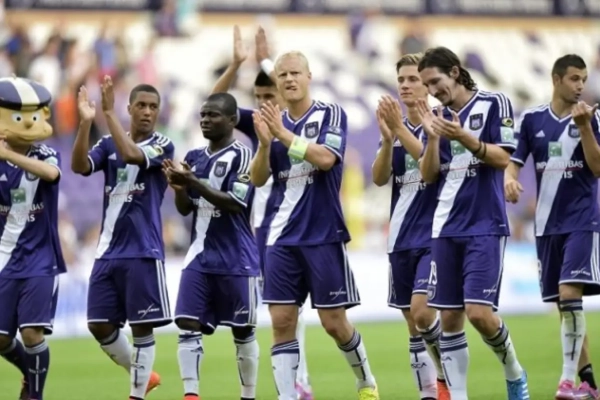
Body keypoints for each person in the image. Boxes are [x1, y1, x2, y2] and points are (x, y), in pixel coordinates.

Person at [250, 50, 379, 400]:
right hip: (280, 237)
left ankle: (366, 380)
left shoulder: (330, 113)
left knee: (334, 323)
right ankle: (288, 396)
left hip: (322, 234)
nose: (289, 79)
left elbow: (325, 159)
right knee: (281, 322)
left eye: (295, 73)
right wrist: (265, 145)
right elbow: (258, 178)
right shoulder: (272, 121)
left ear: (309, 77)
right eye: (283, 75)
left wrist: (282, 135)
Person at [417, 46, 529, 400]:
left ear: (454, 72)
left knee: (479, 314)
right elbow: (428, 175)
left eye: (435, 81)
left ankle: (514, 371)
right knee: (449, 319)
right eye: (426, 85)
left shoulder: (495, 104)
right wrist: (433, 138)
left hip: (485, 225)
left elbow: (502, 158)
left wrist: (463, 136)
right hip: (444, 229)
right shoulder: (435, 117)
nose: (432, 90)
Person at [211, 25, 313, 399]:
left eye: (269, 95)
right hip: (259, 230)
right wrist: (237, 63)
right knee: (278, 313)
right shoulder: (259, 127)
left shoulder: (301, 127)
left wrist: (268, 60)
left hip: (295, 227)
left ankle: (301, 384)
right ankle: (295, 385)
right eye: (258, 97)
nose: (263, 103)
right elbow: (215, 103)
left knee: (292, 313)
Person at [71, 77, 174, 400]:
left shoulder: (163, 145)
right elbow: (79, 166)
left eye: (153, 107)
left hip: (143, 250)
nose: (147, 112)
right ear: (129, 108)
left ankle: (136, 394)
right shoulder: (107, 144)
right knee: (98, 324)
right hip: (107, 251)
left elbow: (131, 155)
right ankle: (143, 375)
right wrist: (86, 123)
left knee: (142, 328)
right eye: (141, 105)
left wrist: (108, 114)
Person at [505, 54, 600, 400]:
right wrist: (509, 179)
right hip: (546, 226)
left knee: (570, 295)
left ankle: (566, 382)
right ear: (556, 79)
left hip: (582, 221)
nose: (580, 85)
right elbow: (513, 162)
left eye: (583, 79)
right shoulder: (532, 120)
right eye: (574, 78)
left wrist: (585, 127)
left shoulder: (592, 117)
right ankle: (589, 383)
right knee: (564, 303)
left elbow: (597, 167)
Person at [165, 92, 260, 400]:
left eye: (213, 115)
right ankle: (191, 394)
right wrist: (179, 188)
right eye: (203, 115)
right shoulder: (194, 156)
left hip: (237, 257)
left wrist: (193, 182)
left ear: (232, 120)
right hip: (199, 255)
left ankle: (248, 395)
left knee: (243, 331)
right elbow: (185, 209)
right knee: (187, 322)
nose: (205, 120)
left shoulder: (243, 155)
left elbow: (235, 203)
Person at [371, 53, 448, 400]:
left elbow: (433, 170)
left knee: (422, 313)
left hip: (433, 235)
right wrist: (389, 140)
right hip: (400, 237)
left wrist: (400, 130)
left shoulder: (442, 121)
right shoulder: (395, 127)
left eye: (413, 79)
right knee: (411, 322)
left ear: (427, 84)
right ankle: (428, 393)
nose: (405, 85)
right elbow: (379, 177)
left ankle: (446, 377)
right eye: (401, 79)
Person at [0, 77, 65, 400]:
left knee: (31, 333)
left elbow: (51, 174)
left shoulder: (46, 153)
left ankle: (34, 395)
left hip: (40, 260)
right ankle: (31, 370)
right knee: (0, 339)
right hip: (4, 259)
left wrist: (7, 155)